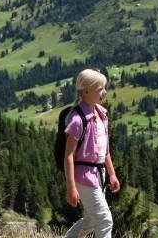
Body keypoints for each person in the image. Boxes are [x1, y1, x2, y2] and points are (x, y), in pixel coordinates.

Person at [63, 69, 120, 238]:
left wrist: (112, 174)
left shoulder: (101, 115)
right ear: (86, 91)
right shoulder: (77, 120)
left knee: (90, 220)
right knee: (105, 220)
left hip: (98, 174)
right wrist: (71, 187)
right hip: (84, 176)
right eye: (100, 88)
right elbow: (69, 156)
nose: (105, 92)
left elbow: (105, 149)